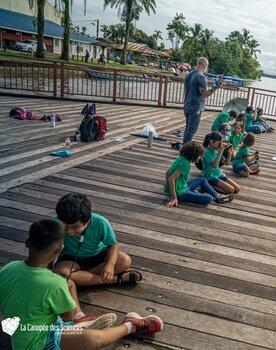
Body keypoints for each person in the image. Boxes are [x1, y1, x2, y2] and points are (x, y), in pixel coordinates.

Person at [0, 219, 163, 350]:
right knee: (91, 340)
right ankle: (130, 326)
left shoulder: (9, 267)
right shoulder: (54, 284)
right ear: (59, 250)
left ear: (27, 243)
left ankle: (81, 320)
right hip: (37, 341)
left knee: (68, 283)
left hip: (18, 330)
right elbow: (66, 316)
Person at [52, 194, 140, 287]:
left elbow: (112, 245)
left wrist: (110, 265)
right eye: (65, 226)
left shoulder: (100, 222)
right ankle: (115, 279)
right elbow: (50, 247)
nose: (69, 231)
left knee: (125, 260)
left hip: (98, 256)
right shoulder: (55, 223)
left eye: (75, 227)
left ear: (87, 220)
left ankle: (81, 277)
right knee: (62, 272)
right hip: (70, 259)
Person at [164, 141, 234, 207]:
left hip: (182, 187)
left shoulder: (180, 158)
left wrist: (169, 190)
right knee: (209, 199)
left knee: (201, 180)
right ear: (194, 155)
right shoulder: (186, 165)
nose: (200, 158)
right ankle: (208, 194)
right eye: (200, 155)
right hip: (180, 193)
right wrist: (174, 196)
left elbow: (167, 173)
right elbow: (171, 179)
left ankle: (217, 196)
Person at [182, 57, 221, 145]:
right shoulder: (201, 77)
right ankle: (184, 150)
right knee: (192, 130)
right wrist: (215, 87)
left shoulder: (189, 74)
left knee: (188, 129)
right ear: (205, 66)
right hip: (195, 107)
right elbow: (204, 94)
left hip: (187, 105)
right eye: (207, 66)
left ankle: (184, 145)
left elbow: (185, 91)